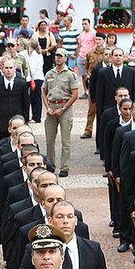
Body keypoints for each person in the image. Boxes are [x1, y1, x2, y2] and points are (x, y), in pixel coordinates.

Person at [42, 48, 78, 177]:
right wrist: (47, 107)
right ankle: (50, 164)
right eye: (56, 55)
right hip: (52, 107)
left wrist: (63, 109)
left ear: (65, 58)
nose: (58, 58)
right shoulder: (49, 74)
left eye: (60, 56)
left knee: (65, 141)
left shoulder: (70, 74)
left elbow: (75, 94)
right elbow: (44, 91)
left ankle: (65, 167)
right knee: (49, 140)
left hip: (65, 107)